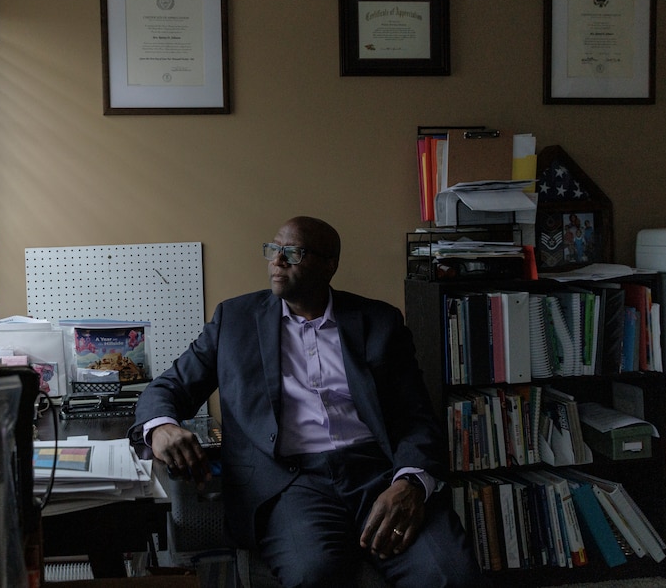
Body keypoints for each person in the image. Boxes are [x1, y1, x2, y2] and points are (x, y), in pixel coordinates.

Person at [130, 216, 486, 588]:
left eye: (293, 253)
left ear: (330, 265)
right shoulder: (234, 321)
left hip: (378, 476)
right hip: (290, 484)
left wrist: (410, 483)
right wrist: (162, 427)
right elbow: (169, 387)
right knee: (313, 575)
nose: (276, 261)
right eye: (273, 250)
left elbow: (415, 417)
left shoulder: (379, 322)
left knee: (451, 576)